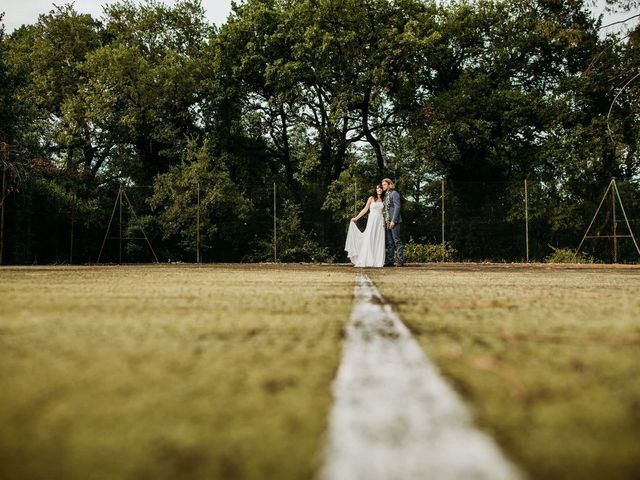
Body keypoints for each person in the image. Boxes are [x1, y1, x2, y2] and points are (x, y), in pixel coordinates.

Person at [344, 184, 386, 267]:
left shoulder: (384, 199)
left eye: (381, 188)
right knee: (369, 239)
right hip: (372, 220)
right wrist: (356, 218)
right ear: (375, 189)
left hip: (380, 222)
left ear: (382, 190)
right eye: (378, 188)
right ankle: (368, 260)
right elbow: (365, 209)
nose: (379, 190)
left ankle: (377, 261)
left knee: (378, 239)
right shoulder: (371, 198)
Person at [382, 178, 405, 266]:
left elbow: (397, 207)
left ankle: (400, 261)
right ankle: (389, 261)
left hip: (394, 221)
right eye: (382, 184)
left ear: (389, 184)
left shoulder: (394, 193)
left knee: (397, 241)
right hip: (387, 221)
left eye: (384, 184)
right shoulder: (386, 195)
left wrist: (393, 221)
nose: (383, 186)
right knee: (390, 242)